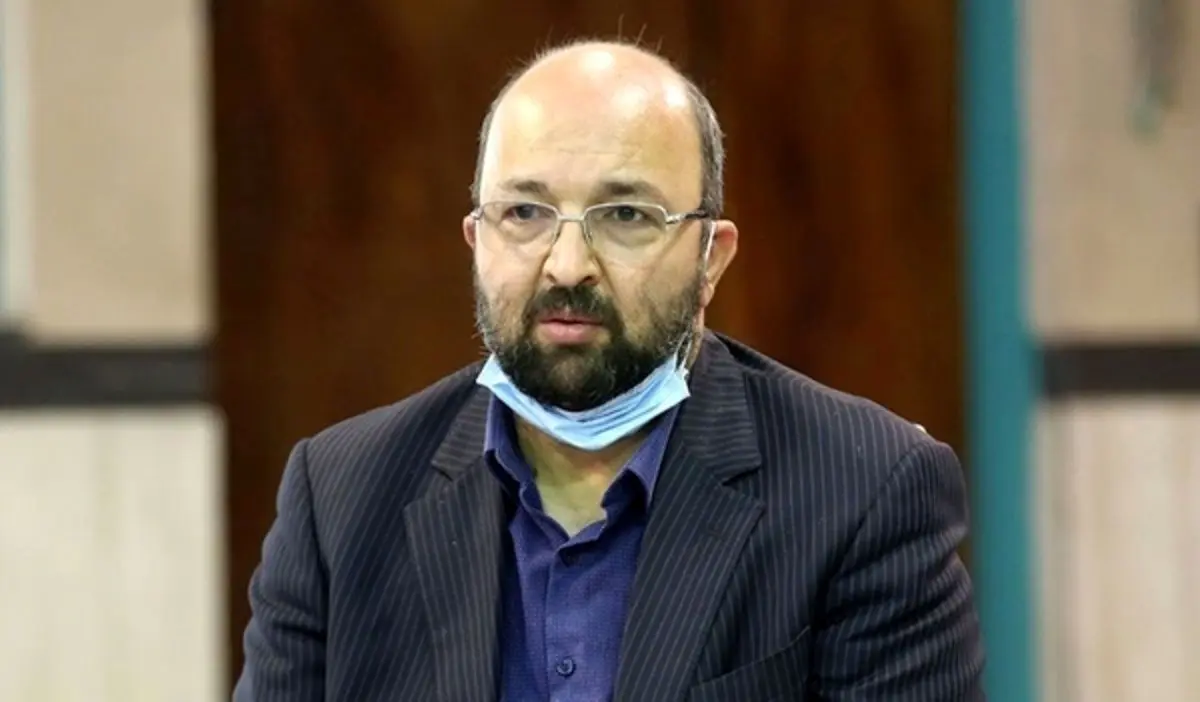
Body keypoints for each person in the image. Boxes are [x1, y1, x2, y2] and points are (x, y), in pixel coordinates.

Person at [234, 39, 985, 702]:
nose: (567, 265)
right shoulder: (340, 496)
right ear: (475, 240)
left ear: (711, 258)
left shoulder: (864, 492)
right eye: (524, 214)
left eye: (626, 216)